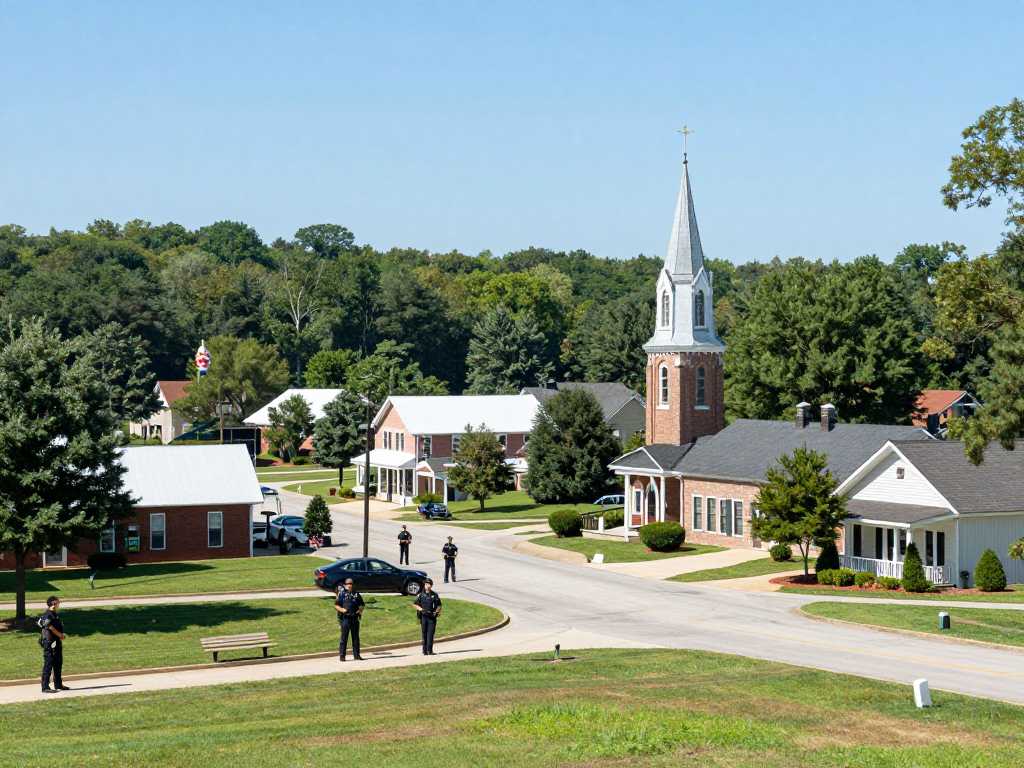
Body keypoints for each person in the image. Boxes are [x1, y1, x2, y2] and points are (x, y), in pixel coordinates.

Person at [39, 596, 68, 694]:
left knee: (58, 662)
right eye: (58, 601)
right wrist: (60, 634)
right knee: (49, 663)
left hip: (56, 642)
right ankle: (45, 686)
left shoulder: (54, 614)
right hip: (49, 642)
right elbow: (48, 626)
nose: (59, 603)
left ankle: (58, 684)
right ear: (53, 603)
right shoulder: (48, 614)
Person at [335, 578, 365, 661]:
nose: (349, 585)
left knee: (355, 638)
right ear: (345, 585)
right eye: (348, 583)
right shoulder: (342, 594)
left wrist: (360, 611)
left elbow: (362, 604)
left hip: (355, 619)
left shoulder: (356, 594)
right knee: (343, 638)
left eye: (351, 583)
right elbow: (336, 605)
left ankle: (357, 655)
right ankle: (342, 656)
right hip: (346, 619)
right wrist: (342, 610)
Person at [412, 578, 442, 655]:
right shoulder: (421, 595)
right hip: (423, 617)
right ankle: (424, 650)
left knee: (430, 634)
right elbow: (414, 604)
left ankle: (430, 650)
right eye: (426, 584)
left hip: (432, 617)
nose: (427, 586)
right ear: (424, 585)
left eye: (429, 584)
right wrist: (421, 610)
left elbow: (439, 605)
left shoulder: (434, 595)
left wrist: (437, 612)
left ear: (431, 586)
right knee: (424, 633)